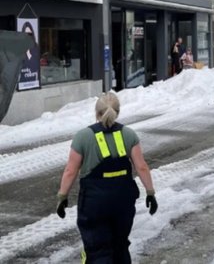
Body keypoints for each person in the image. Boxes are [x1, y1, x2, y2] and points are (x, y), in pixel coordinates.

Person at [56, 92, 158, 263]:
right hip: (123, 201)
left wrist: (62, 196)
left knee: (97, 250)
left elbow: (70, 171)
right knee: (120, 246)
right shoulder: (129, 134)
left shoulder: (83, 136)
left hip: (94, 203)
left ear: (97, 113)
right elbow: (141, 167)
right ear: (117, 112)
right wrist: (150, 193)